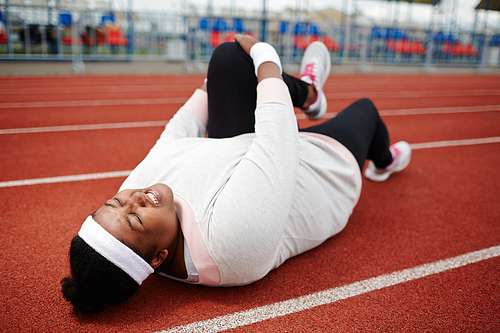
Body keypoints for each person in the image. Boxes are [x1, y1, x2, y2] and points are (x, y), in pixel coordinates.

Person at [61, 34, 411, 314]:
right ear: (158, 259)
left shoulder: (137, 198)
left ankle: (308, 93)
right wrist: (266, 58)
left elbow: (178, 132)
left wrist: (210, 83)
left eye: (115, 202)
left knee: (228, 59)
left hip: (246, 153)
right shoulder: (228, 245)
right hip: (319, 170)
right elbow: (278, 137)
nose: (132, 198)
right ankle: (384, 161)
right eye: (135, 218)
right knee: (365, 110)